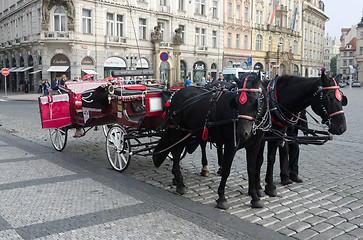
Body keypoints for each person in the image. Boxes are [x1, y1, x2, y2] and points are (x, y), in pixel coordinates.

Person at [279, 110, 308, 185]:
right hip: (283, 132)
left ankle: (293, 174)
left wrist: (306, 132)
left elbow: (303, 118)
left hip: (293, 133)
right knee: (284, 152)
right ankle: (284, 177)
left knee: (295, 150)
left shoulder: (301, 107)